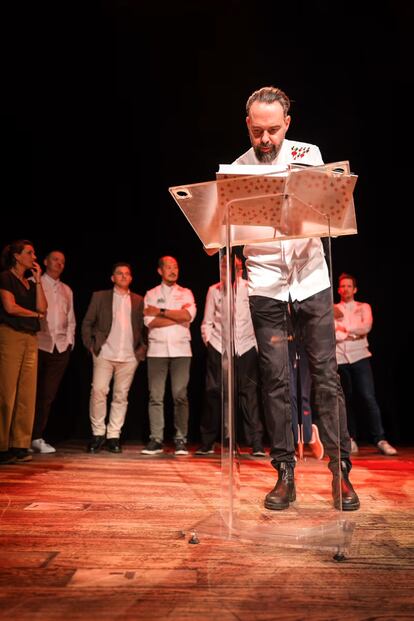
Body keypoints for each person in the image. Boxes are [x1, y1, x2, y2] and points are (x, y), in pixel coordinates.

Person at [229, 85, 359, 511]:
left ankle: (340, 472)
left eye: (273, 131)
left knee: (325, 376)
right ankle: (284, 473)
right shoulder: (235, 169)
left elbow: (325, 210)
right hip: (265, 282)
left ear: (287, 124)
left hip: (310, 278)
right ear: (248, 125)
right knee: (275, 380)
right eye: (258, 132)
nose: (265, 140)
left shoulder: (309, 154)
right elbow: (222, 228)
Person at [196, 256, 266, 456]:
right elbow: (207, 322)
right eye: (225, 266)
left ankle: (256, 443)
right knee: (214, 393)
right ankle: (208, 442)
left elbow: (257, 318)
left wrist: (256, 345)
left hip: (245, 347)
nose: (229, 270)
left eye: (233, 267)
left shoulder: (249, 287)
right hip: (219, 346)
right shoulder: (214, 290)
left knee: (249, 396)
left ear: (240, 269)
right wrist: (210, 343)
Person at [81, 262, 146, 454]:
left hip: (128, 356)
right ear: (113, 277)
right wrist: (91, 346)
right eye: (120, 273)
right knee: (99, 391)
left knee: (121, 396)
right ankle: (98, 433)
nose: (124, 276)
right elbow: (87, 323)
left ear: (131, 278)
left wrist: (141, 351)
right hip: (104, 353)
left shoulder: (138, 300)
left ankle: (113, 435)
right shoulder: (100, 297)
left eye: (127, 274)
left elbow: (145, 328)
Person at [334, 273, 397, 456]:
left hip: (360, 355)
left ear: (355, 289)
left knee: (368, 397)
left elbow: (366, 327)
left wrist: (344, 329)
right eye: (342, 286)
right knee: (346, 400)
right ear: (339, 289)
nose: (345, 289)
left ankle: (380, 438)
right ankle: (350, 439)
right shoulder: (334, 308)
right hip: (341, 358)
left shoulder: (363, 307)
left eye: (348, 286)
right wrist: (352, 332)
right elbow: (334, 333)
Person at [141, 256, 196, 455]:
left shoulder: (186, 293)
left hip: (181, 350)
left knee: (180, 395)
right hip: (157, 351)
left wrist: (161, 311)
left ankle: (180, 438)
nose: (173, 270)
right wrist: (175, 316)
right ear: (160, 271)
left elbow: (188, 316)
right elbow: (150, 322)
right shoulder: (151, 293)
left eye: (176, 267)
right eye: (168, 267)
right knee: (155, 396)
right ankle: (156, 439)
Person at [0, 239, 47, 465]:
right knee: (6, 391)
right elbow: (10, 307)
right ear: (17, 256)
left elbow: (43, 308)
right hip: (10, 335)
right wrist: (35, 316)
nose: (34, 257)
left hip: (30, 338)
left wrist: (38, 281)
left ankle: (20, 443)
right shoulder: (6, 277)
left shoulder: (29, 282)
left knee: (27, 394)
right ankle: (2, 444)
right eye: (30, 253)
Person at [31, 250, 76, 454]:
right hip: (39, 343)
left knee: (47, 396)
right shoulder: (33, 282)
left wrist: (69, 342)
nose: (59, 264)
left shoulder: (67, 289)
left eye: (63, 261)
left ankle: (37, 437)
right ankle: (19, 438)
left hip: (59, 348)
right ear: (45, 261)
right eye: (55, 259)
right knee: (30, 394)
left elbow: (71, 318)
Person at [289, 336, 324, 460]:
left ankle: (308, 434)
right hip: (287, 344)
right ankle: (292, 441)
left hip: (306, 342)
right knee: (290, 395)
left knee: (304, 395)